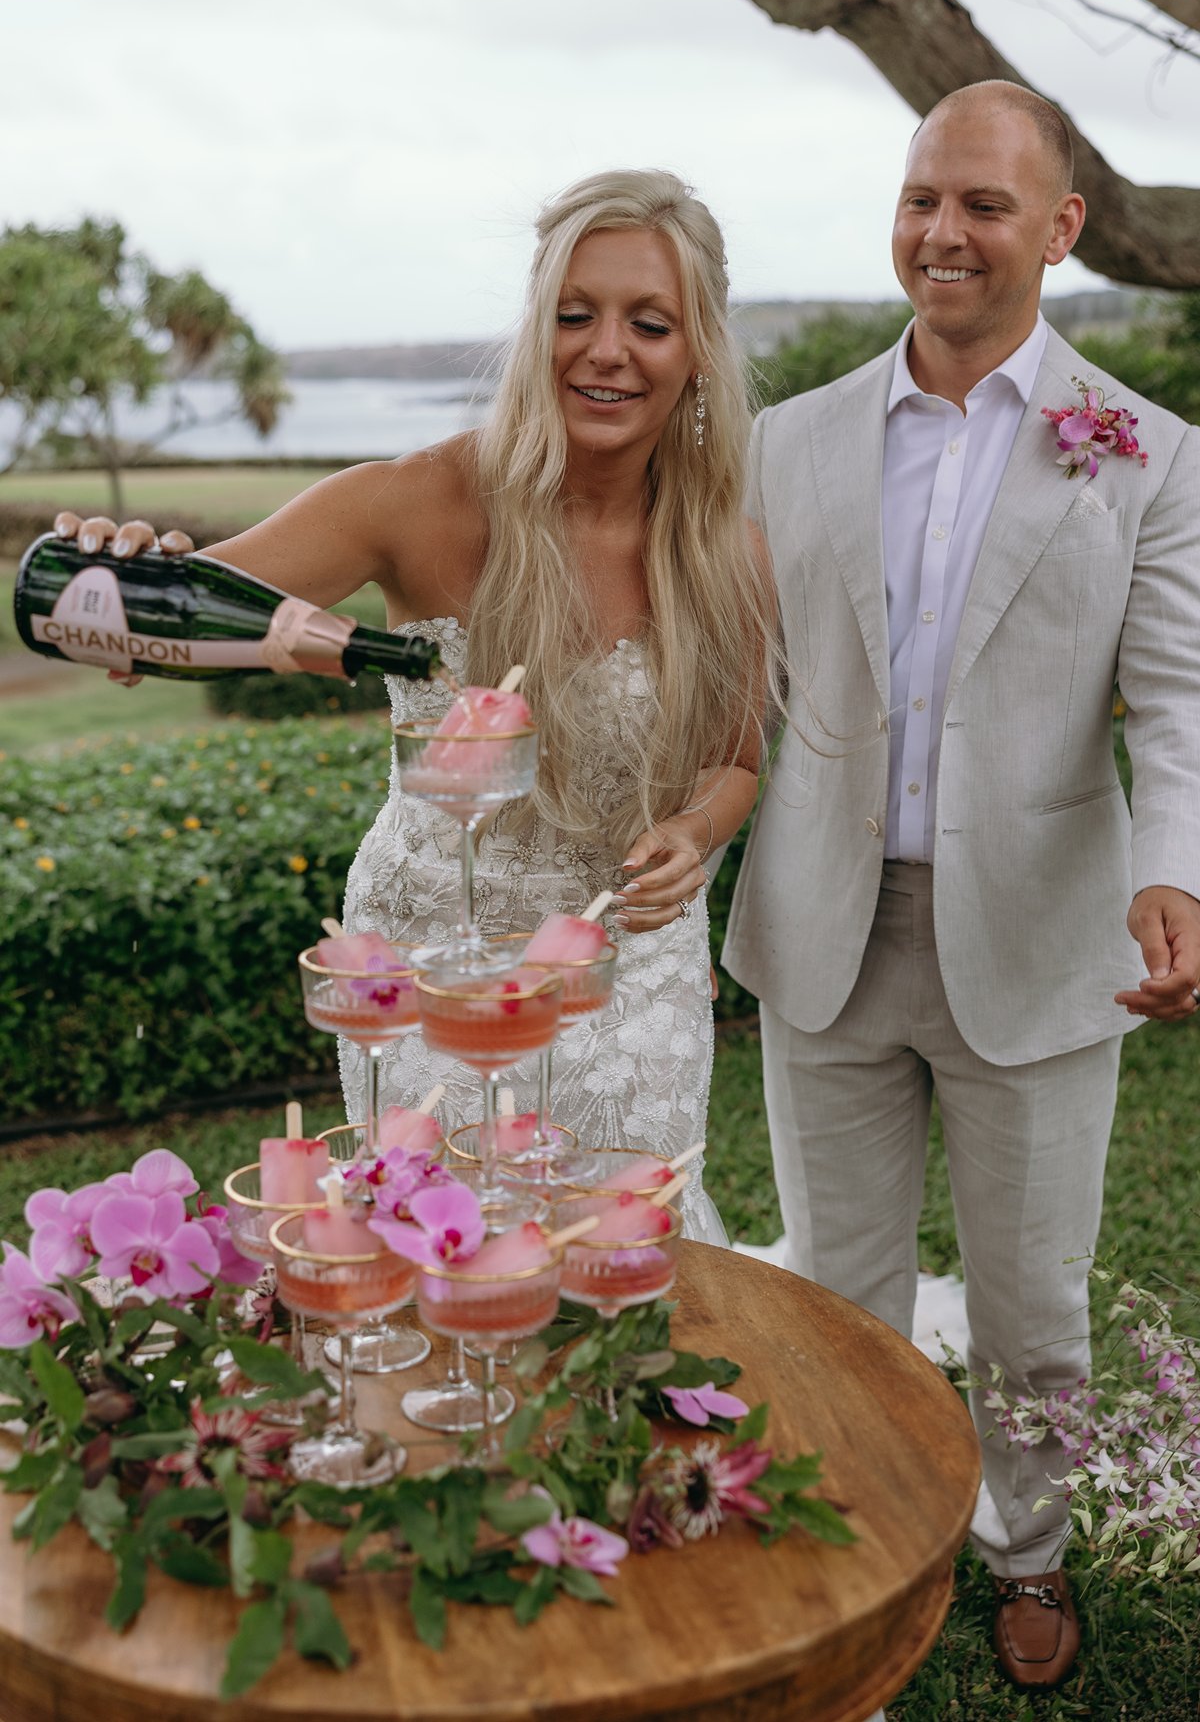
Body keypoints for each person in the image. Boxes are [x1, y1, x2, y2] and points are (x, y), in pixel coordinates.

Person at [55, 168, 777, 1245]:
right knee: (443, 1255)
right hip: (436, 961)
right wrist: (125, 577)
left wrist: (695, 828)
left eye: (650, 322)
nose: (606, 349)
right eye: (573, 315)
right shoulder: (418, 499)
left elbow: (739, 759)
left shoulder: (729, 551)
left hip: (628, 968)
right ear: (536, 330)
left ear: (699, 349)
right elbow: (149, 621)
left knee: (625, 1259)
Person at [723, 81, 1200, 1687]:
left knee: (1028, 1306)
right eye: (924, 196)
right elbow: (734, 678)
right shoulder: (786, 442)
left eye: (985, 205)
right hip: (824, 935)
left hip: (1046, 946)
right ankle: (857, 1550)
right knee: (836, 1294)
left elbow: (1182, 703)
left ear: (1061, 230)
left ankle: (1029, 1552)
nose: (944, 231)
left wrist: (1175, 876)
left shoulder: (1149, 457)